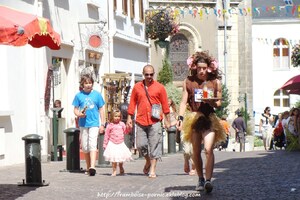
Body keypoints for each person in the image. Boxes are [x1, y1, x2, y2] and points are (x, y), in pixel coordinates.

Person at [177, 51, 226, 193]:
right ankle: (200, 178)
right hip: (194, 117)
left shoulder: (215, 82)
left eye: (204, 68)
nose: (202, 71)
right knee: (196, 151)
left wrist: (210, 100)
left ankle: (209, 180)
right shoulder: (188, 81)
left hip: (209, 118)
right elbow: (183, 102)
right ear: (195, 67)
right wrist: (180, 119)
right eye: (199, 68)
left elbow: (219, 104)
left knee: (208, 149)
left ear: (209, 67)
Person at [126, 64, 170, 178]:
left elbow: (165, 105)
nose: (149, 76)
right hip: (141, 120)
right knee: (141, 145)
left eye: (151, 74)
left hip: (155, 121)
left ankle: (153, 169)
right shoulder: (137, 87)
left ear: (153, 74)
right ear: (143, 74)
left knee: (155, 145)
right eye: (147, 74)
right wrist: (129, 118)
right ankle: (147, 161)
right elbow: (132, 103)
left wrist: (167, 120)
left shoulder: (160, 87)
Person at [72, 75, 105, 176]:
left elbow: (101, 109)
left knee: (92, 144)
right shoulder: (78, 96)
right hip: (83, 124)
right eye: (86, 83)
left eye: (90, 83)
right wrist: (79, 114)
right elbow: (75, 109)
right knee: (85, 147)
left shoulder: (97, 95)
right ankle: (88, 167)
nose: (88, 85)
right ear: (82, 84)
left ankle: (92, 166)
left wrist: (102, 124)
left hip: (94, 123)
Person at [103, 109, 133, 176]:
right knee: (114, 159)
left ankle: (121, 166)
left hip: (120, 143)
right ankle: (114, 170)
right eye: (115, 116)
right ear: (112, 117)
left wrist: (129, 128)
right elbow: (106, 135)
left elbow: (126, 131)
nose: (117, 118)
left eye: (118, 116)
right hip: (112, 143)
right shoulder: (109, 125)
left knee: (120, 157)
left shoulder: (122, 124)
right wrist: (105, 144)